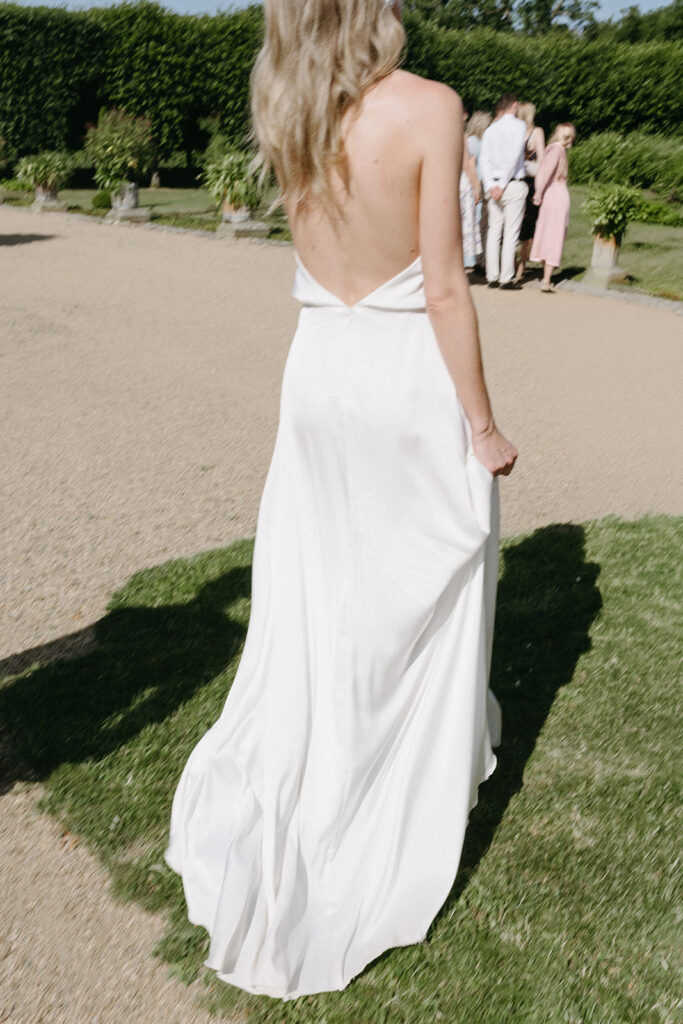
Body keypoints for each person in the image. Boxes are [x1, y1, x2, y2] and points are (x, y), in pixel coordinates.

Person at [165, 0, 517, 1002]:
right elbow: (442, 288)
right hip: (402, 378)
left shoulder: (286, 102)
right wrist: (483, 425)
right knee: (418, 587)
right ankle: (382, 783)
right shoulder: (430, 105)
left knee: (323, 589)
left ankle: (320, 754)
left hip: (318, 372)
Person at [479, 93, 528, 289]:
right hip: (512, 184)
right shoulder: (519, 126)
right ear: (514, 106)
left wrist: (491, 185)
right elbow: (513, 156)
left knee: (494, 230)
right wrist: (502, 184)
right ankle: (506, 277)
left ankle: (492, 275)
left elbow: (484, 159)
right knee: (510, 232)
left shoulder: (491, 129)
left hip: (494, 185)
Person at [530, 122, 576, 292]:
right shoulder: (557, 150)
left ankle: (546, 276)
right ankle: (547, 279)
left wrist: (539, 192)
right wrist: (538, 193)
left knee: (549, 233)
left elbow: (544, 173)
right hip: (556, 196)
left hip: (552, 195)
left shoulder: (554, 150)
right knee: (554, 235)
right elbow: (545, 173)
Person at [515, 102, 545, 282]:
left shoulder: (515, 132)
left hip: (515, 179)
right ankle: (522, 263)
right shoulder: (537, 132)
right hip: (532, 181)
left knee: (516, 223)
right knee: (528, 223)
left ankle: (515, 262)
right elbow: (542, 160)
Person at [465, 110, 492, 269]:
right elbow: (471, 164)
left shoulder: (472, 140)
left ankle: (477, 258)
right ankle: (477, 259)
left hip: (476, 184)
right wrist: (476, 185)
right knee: (479, 222)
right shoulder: (475, 142)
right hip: (477, 184)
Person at [460, 104, 482, 271]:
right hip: (463, 185)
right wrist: (476, 186)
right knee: (465, 228)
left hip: (450, 185)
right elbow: (467, 164)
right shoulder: (461, 136)